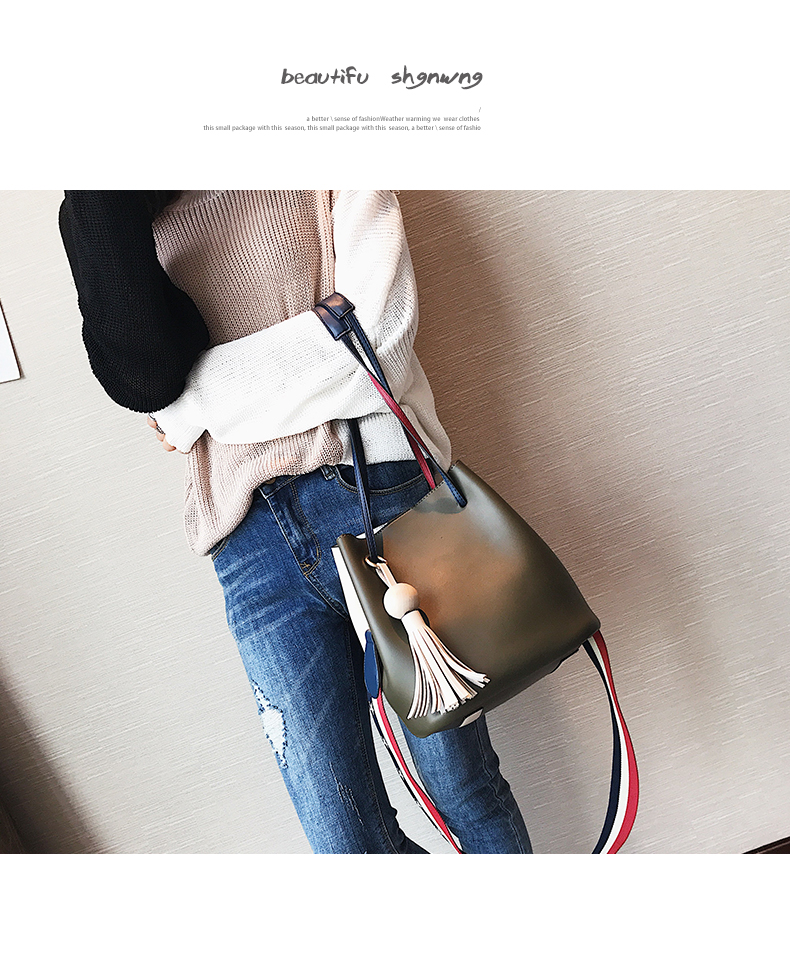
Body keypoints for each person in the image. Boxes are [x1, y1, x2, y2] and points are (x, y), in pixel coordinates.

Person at [59, 189, 532, 853]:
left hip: (377, 497)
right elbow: (146, 384)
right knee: (346, 843)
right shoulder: (105, 207)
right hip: (248, 544)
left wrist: (194, 407)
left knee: (462, 790)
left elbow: (378, 342)